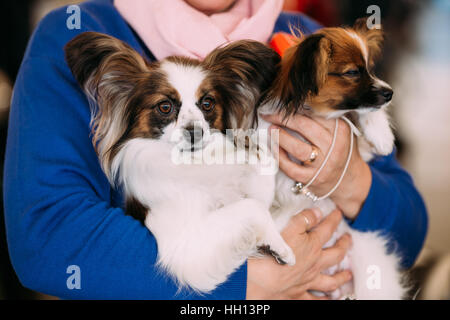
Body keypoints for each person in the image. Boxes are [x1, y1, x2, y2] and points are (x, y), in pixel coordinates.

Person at [3, 0, 427, 299]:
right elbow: (47, 238)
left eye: (208, 105)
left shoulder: (310, 43)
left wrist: (348, 176)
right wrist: (247, 286)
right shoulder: (76, 28)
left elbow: (408, 232)